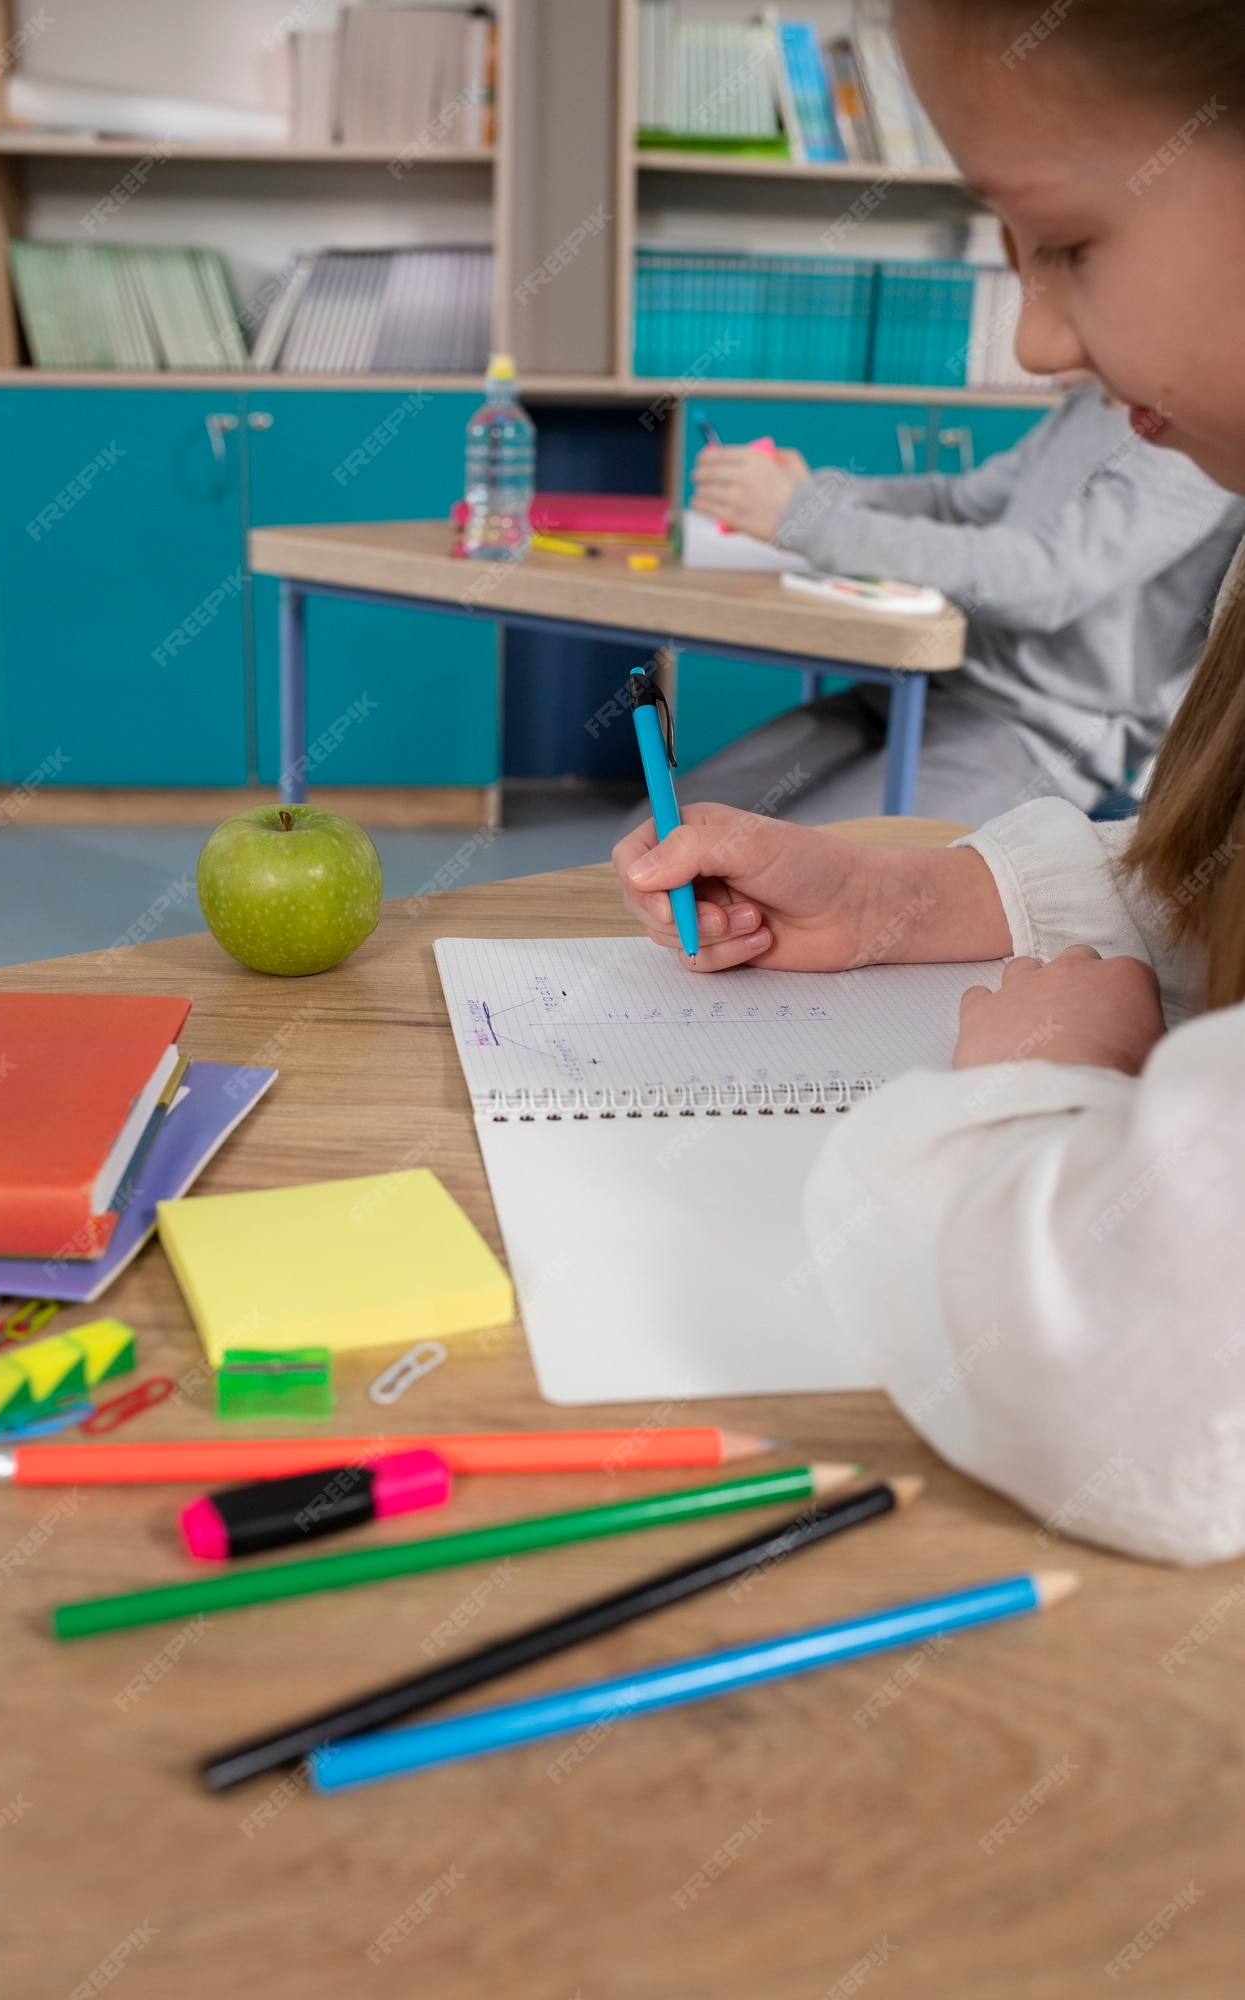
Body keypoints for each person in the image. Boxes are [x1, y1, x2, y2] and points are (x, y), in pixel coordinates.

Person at [614, 0, 1245, 1565]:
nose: (1038, 340)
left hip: (1028, 715)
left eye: (1069, 243)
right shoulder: (1123, 405)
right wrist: (901, 894)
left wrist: (1029, 1095)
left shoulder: (1181, 452)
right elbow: (1209, 869)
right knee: (762, 785)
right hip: (984, 707)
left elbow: (1156, 1398)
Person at [661, 381, 1243, 829]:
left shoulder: (1196, 435)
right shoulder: (1095, 401)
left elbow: (1043, 582)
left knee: (772, 883)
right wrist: (810, 497)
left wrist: (801, 517)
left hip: (1034, 735)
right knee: (656, 831)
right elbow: (959, 503)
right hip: (926, 688)